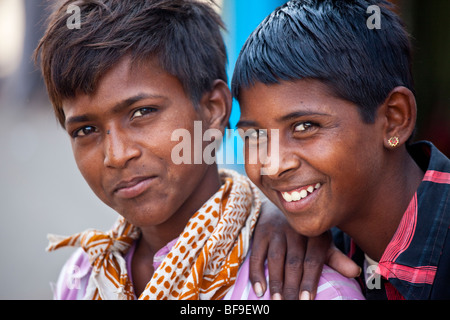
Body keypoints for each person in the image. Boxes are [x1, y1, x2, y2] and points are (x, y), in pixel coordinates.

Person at [35, 0, 363, 300]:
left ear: (213, 109)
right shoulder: (83, 277)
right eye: (86, 130)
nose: (117, 155)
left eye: (142, 113)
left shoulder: (303, 288)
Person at [232, 0, 450, 300]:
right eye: (255, 135)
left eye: (305, 126)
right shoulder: (313, 248)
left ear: (393, 120)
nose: (273, 165)